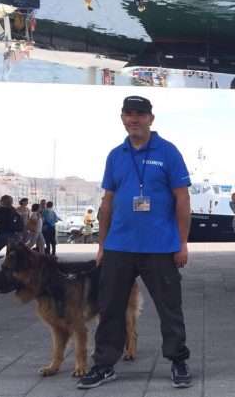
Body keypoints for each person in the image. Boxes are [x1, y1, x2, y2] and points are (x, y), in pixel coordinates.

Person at [77, 95, 193, 390]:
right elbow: (108, 201)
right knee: (110, 307)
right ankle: (104, 365)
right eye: (128, 114)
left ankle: (178, 360)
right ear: (122, 118)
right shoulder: (115, 155)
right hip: (119, 246)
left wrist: (182, 243)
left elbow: (182, 199)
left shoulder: (168, 152)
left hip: (160, 246)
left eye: (140, 114)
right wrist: (102, 245)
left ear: (151, 118)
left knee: (170, 307)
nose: (134, 119)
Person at [0, 195, 23, 276]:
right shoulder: (14, 211)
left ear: (2, 201)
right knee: (10, 256)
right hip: (13, 235)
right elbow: (20, 223)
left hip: (1, 234)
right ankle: (10, 275)